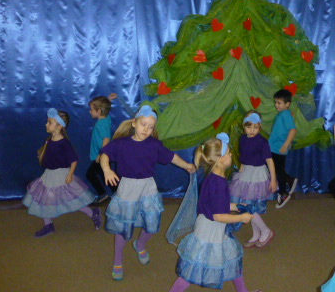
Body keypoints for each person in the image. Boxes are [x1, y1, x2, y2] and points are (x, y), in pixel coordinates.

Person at [100, 105, 196, 281]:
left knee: (152, 222)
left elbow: (172, 157)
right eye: (143, 124)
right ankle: (118, 259)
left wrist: (187, 165)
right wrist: (107, 170)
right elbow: (105, 154)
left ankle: (140, 244)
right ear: (134, 123)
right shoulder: (121, 144)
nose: (146, 129)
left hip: (148, 187)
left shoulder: (154, 145)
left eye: (151, 127)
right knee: (123, 226)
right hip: (128, 188)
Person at [169, 133, 262, 292]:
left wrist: (235, 206)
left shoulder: (213, 177)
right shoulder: (218, 183)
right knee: (193, 269)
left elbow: (216, 205)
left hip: (210, 225)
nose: (231, 155)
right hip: (210, 230)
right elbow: (218, 216)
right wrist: (241, 217)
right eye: (229, 153)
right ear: (220, 160)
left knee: (232, 259)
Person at [22, 108, 102, 238]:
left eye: (49, 122)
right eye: (47, 122)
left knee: (69, 200)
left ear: (59, 126)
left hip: (61, 175)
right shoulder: (49, 140)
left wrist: (70, 174)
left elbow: (74, 159)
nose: (46, 124)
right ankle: (48, 225)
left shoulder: (64, 143)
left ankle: (93, 213)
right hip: (49, 175)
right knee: (45, 200)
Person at [229, 111, 277, 248]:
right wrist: (241, 167)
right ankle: (256, 234)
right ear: (244, 126)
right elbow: (243, 155)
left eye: (255, 127)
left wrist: (273, 179)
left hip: (257, 175)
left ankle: (266, 230)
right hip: (246, 173)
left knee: (249, 206)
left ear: (260, 126)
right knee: (248, 205)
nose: (252, 130)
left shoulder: (262, 142)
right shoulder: (243, 138)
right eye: (249, 127)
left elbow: (270, 161)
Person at [268, 88, 299, 208]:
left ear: (287, 104)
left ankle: (283, 193)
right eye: (276, 102)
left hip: (278, 148)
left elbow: (293, 130)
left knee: (278, 171)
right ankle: (289, 180)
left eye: (279, 103)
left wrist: (285, 145)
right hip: (274, 147)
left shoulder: (285, 114)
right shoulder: (284, 114)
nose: (276, 105)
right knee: (277, 169)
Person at [86, 94, 117, 202]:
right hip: (104, 155)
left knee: (91, 174)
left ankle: (105, 194)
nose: (90, 111)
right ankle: (117, 194)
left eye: (91, 109)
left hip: (102, 156)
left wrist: (101, 154)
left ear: (99, 111)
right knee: (105, 175)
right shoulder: (106, 119)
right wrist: (108, 100)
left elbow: (106, 139)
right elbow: (105, 108)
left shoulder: (101, 124)